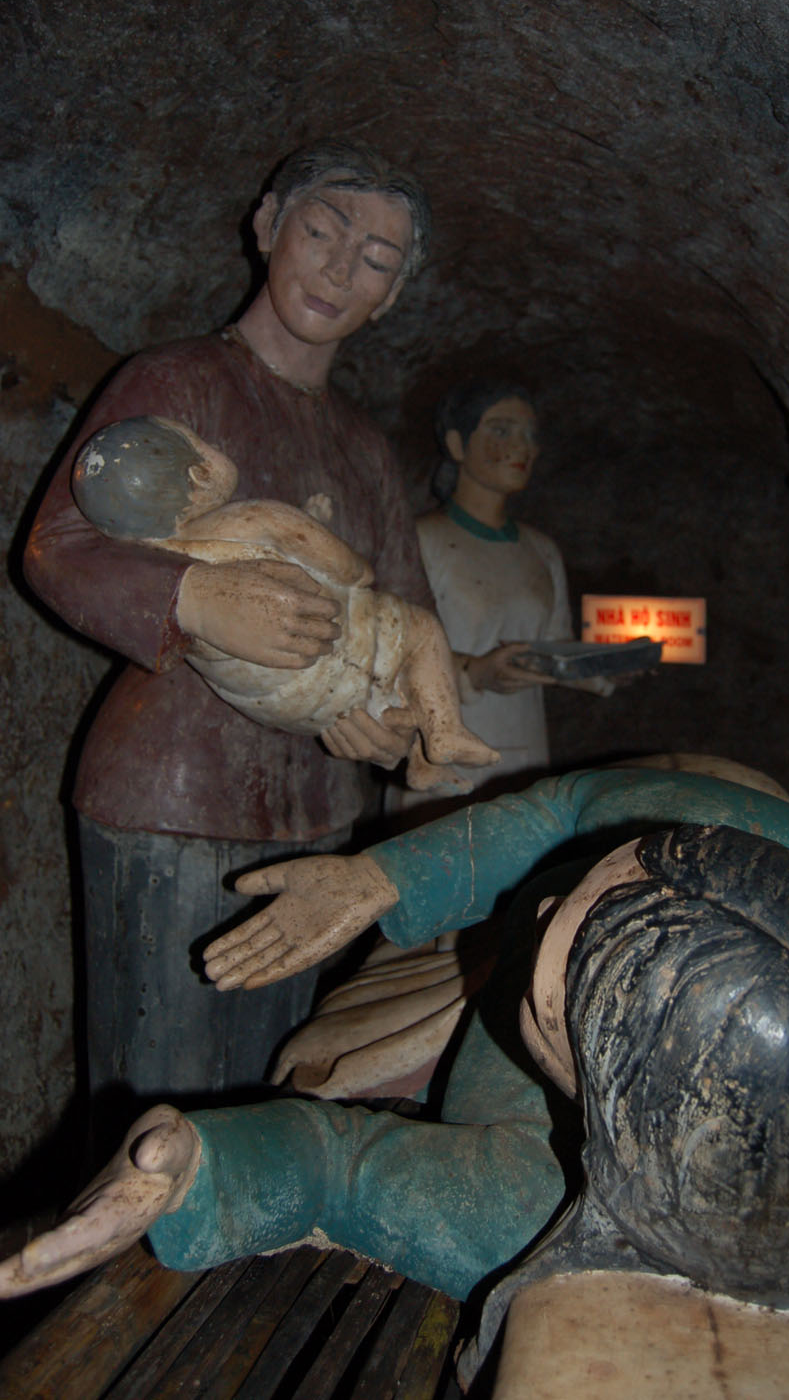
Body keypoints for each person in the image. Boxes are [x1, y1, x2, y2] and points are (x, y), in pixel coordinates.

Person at [2, 766, 789, 1384]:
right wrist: (381, 877)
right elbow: (567, 812)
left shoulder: (526, 1204)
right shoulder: (728, 842)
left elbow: (334, 1166)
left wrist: (195, 1167)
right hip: (722, 816)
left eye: (550, 978)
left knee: (338, 1057)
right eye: (565, 906)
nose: (533, 910)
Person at [23, 139, 436, 1102]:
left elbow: (408, 618)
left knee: (281, 1092)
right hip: (175, 797)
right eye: (323, 231)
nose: (339, 269)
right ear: (267, 226)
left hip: (320, 811)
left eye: (375, 259)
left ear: (391, 295)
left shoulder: (364, 449)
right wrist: (195, 598)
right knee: (163, 1102)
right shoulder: (177, 381)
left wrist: (391, 718)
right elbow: (59, 547)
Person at [71, 416, 499, 790]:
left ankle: (421, 759)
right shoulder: (251, 519)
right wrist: (349, 566)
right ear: (200, 475)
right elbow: (347, 568)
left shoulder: (161, 554)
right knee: (420, 632)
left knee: (390, 704)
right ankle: (444, 731)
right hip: (337, 655)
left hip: (295, 711)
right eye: (203, 441)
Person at [413, 377, 574, 792]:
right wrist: (475, 672)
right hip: (445, 753)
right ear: (457, 443)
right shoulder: (422, 541)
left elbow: (557, 647)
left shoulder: (542, 551)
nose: (522, 447)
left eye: (531, 436)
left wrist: (606, 668)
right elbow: (394, 651)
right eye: (501, 430)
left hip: (523, 749)